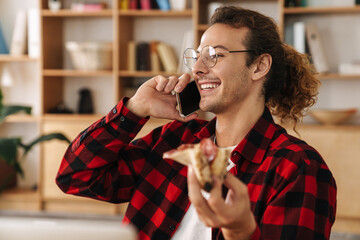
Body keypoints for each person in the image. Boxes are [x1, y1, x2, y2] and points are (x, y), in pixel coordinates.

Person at [56, 6, 336, 240]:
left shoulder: (297, 167)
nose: (198, 69)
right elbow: (75, 177)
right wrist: (134, 110)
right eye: (198, 56)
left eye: (215, 55)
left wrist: (241, 230)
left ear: (259, 66)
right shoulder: (174, 141)